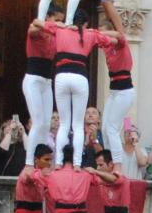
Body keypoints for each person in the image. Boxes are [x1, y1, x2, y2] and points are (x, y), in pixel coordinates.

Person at [45, 14, 110, 162]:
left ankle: (60, 161)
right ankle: (76, 163)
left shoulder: (60, 30)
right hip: (80, 76)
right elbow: (109, 39)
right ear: (85, 23)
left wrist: (61, 25)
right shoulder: (90, 33)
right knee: (78, 124)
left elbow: (41, 24)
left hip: (61, 75)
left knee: (64, 123)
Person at [24, 19, 58, 154]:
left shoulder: (55, 34)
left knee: (45, 124)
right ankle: (30, 161)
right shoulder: (37, 29)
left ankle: (42, 158)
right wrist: (48, 26)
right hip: (33, 79)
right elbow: (32, 29)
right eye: (57, 19)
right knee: (37, 122)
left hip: (47, 81)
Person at [101, 28, 135, 159]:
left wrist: (99, 33)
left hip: (124, 90)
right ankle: (109, 159)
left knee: (111, 129)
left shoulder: (120, 45)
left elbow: (118, 37)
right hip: (114, 90)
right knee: (105, 129)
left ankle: (116, 163)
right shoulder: (107, 47)